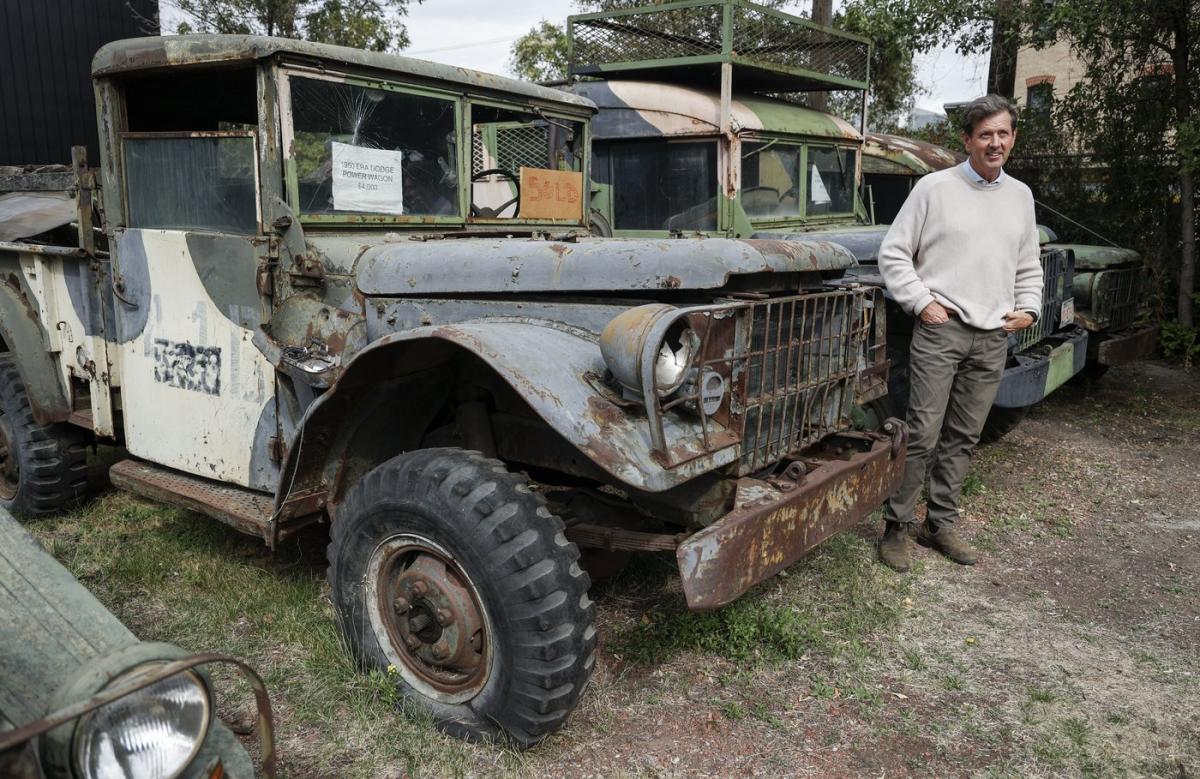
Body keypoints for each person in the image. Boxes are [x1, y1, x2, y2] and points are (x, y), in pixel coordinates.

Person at [876, 94, 1043, 572]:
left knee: (964, 437)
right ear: (967, 139)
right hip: (942, 329)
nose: (995, 142)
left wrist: (1028, 308)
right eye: (985, 134)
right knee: (923, 434)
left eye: (1003, 133)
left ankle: (939, 525)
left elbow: (1028, 265)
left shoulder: (1020, 197)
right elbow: (894, 254)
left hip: (993, 335)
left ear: (1013, 138)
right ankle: (897, 527)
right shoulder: (934, 188)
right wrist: (922, 301)